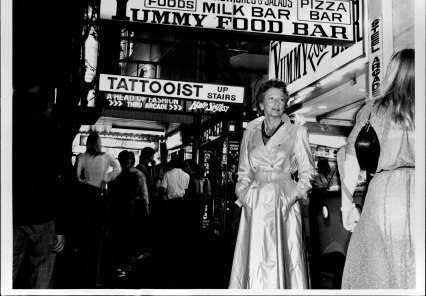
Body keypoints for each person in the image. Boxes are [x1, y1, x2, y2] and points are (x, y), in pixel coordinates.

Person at [337, 49, 415, 289]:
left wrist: (347, 205)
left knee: (379, 269)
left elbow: (352, 160)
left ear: (391, 73)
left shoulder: (372, 111)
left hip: (383, 195)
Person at [228, 79, 315, 289]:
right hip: (255, 200)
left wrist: (292, 196)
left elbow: (307, 171)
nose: (277, 103)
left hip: (283, 197)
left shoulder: (297, 132)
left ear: (286, 104)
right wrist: (243, 195)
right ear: (261, 103)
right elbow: (244, 169)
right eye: (271, 98)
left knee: (285, 255)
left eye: (281, 99)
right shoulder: (250, 131)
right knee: (255, 253)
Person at [13, 82, 66, 288]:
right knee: (42, 275)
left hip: (15, 212)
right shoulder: (55, 133)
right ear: (49, 106)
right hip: (45, 215)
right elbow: (59, 182)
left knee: (8, 270)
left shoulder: (13, 129)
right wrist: (61, 227)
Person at [75, 131, 121, 288]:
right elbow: (118, 168)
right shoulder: (106, 157)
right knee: (98, 239)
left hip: (85, 198)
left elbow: (77, 176)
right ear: (99, 143)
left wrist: (83, 181)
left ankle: (82, 274)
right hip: (101, 197)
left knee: (84, 237)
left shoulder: (82, 157)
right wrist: (106, 179)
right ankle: (94, 277)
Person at [109, 150, 149, 277]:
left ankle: (121, 264)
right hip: (129, 208)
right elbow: (139, 193)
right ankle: (126, 264)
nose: (128, 161)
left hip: (119, 209)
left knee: (120, 237)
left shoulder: (114, 175)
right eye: (126, 159)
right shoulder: (135, 175)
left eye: (129, 159)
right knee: (127, 236)